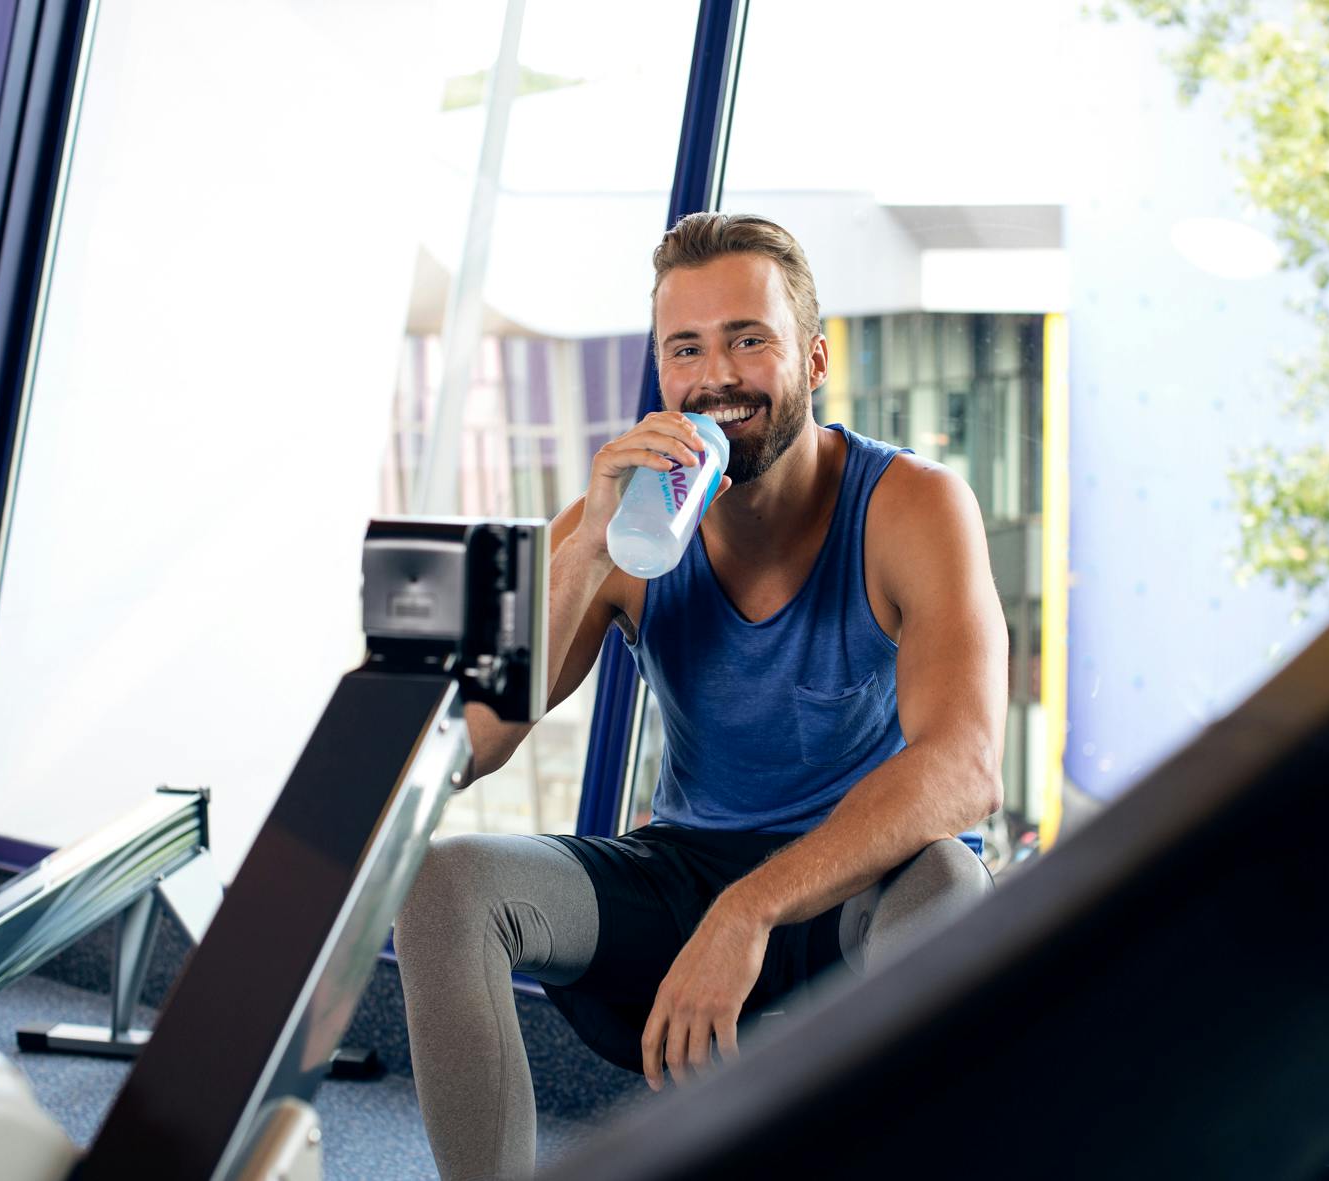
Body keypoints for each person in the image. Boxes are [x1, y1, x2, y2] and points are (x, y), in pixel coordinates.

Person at [395, 212, 1009, 1180]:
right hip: (686, 865)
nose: (715, 374)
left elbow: (964, 770)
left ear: (811, 359)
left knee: (947, 878)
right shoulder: (620, 524)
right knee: (446, 881)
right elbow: (471, 740)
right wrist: (589, 546)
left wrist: (747, 913)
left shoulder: (911, 505)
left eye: (747, 339)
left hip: (861, 885)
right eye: (686, 348)